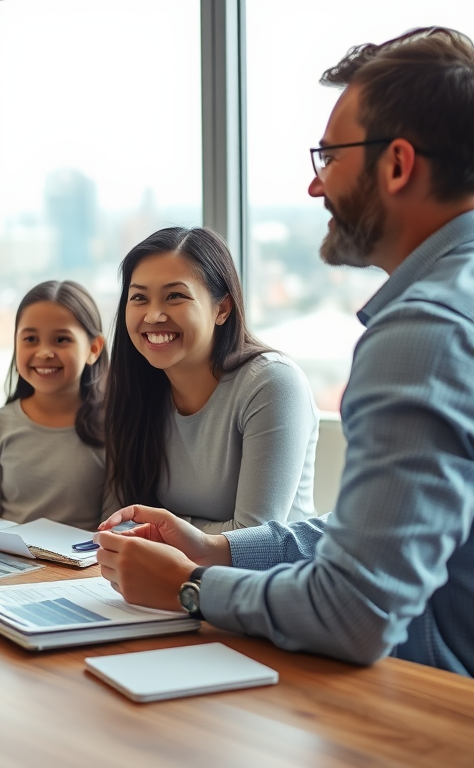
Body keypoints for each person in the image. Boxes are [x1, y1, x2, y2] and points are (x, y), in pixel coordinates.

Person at [95, 27, 474, 677]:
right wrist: (216, 550)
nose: (314, 187)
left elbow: (355, 609)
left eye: (329, 157)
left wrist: (190, 587)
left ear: (397, 164)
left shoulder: (423, 333)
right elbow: (384, 530)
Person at [105, 226, 318, 532]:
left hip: (270, 578)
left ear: (223, 308)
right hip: (173, 574)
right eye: (139, 297)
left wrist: (161, 529)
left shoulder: (272, 383)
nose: (153, 316)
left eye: (175, 296)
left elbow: (252, 538)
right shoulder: (137, 389)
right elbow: (121, 521)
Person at [0, 280, 117, 530]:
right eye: (30, 338)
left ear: (93, 349)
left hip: (85, 566)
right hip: (8, 563)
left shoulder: (114, 428)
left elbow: (112, 529)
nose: (44, 352)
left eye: (61, 339)